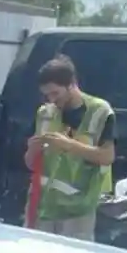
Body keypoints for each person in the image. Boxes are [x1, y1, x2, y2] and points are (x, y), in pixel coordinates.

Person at [24, 55, 116, 240]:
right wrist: (32, 149)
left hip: (78, 211)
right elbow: (30, 164)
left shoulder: (99, 112)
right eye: (47, 95)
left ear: (72, 84)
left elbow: (107, 157)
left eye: (55, 93)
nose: (51, 99)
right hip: (43, 208)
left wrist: (69, 145)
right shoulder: (45, 114)